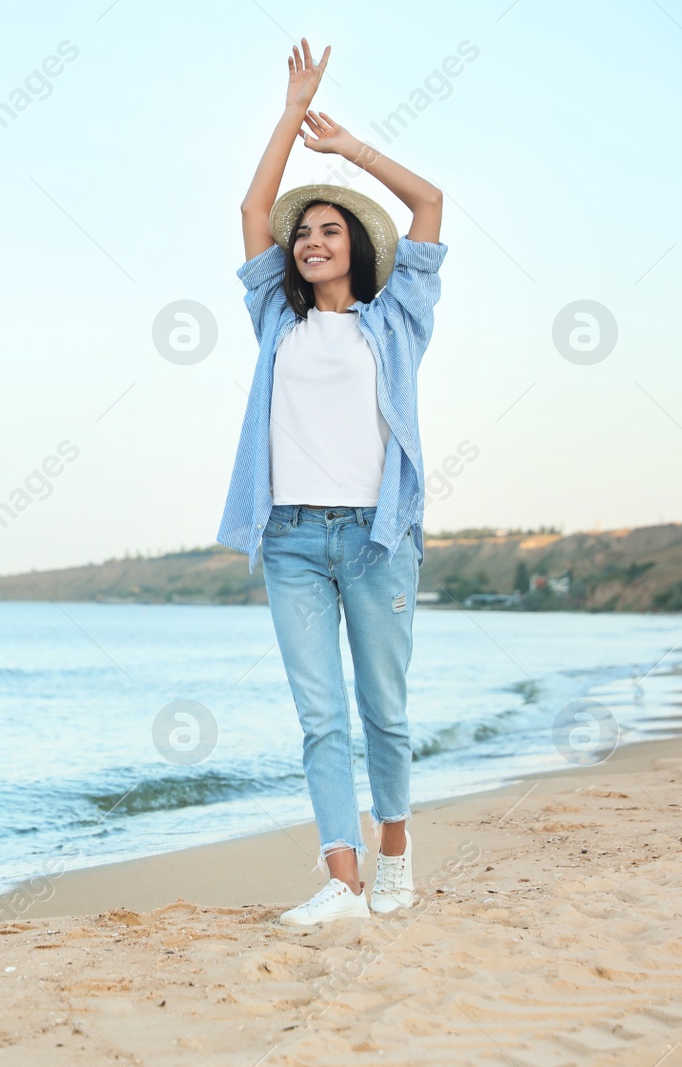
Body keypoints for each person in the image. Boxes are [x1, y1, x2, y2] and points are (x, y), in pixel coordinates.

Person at [215, 39, 447, 925]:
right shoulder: (275, 318)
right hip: (293, 539)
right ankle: (341, 882)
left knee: (383, 710)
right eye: (302, 232)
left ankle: (395, 851)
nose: (311, 239)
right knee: (321, 716)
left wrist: (345, 147)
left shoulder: (398, 321)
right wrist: (288, 111)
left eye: (327, 229)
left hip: (379, 535)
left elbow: (427, 202)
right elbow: (250, 205)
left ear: (354, 246)